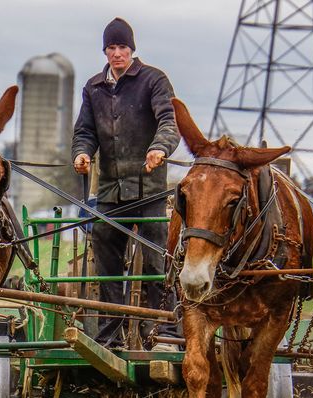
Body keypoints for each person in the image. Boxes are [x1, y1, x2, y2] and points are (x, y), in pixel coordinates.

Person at [72, 17, 180, 350]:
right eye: (111, 47)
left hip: (149, 190)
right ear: (104, 51)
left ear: (132, 49)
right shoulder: (93, 87)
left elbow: (169, 121)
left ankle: (165, 331)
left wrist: (159, 148)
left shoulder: (154, 80)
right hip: (110, 191)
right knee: (106, 255)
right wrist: (82, 153)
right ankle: (110, 335)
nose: (117, 53)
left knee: (155, 261)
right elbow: (85, 131)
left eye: (122, 46)